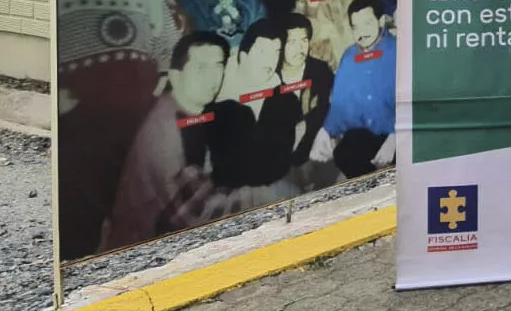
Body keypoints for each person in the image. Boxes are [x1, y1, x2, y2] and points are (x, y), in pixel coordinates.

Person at [54, 0, 172, 260]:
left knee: (137, 213)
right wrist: (55, 92)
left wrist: (161, 84)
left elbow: (167, 40)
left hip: (137, 126)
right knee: (79, 218)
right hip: (83, 126)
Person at [100, 33, 292, 252]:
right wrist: (277, 193)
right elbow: (198, 213)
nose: (212, 78)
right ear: (176, 76)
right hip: (139, 253)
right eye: (201, 68)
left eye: (218, 66)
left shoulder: (187, 111)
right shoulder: (165, 132)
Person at [209, 18, 303, 190]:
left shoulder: (278, 92)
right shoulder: (217, 80)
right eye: (262, 52)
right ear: (243, 56)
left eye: (276, 52)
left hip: (266, 177)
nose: (270, 60)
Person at [310, 0, 396, 178]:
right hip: (364, 137)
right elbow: (340, 102)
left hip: (398, 135)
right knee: (344, 154)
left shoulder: (400, 50)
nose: (361, 33)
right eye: (355, 27)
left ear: (381, 21)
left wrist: (398, 137)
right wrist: (325, 131)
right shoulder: (349, 56)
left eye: (367, 24)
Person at [276, 13, 335, 185]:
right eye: (291, 42)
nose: (300, 48)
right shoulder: (271, 75)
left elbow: (327, 110)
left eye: (303, 40)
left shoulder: (320, 70)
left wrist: (304, 126)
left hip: (315, 152)